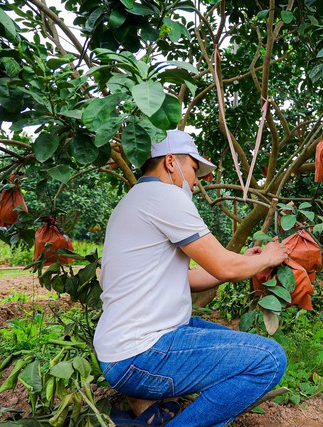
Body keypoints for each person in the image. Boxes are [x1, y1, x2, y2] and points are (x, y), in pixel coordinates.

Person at [93, 129, 290, 427]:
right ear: (171, 162)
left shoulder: (136, 199)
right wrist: (269, 257)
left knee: (234, 346)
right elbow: (224, 267)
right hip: (140, 353)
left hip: (125, 347)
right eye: (194, 169)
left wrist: (247, 262)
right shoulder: (163, 196)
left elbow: (188, 278)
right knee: (269, 360)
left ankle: (157, 410)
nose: (197, 181)